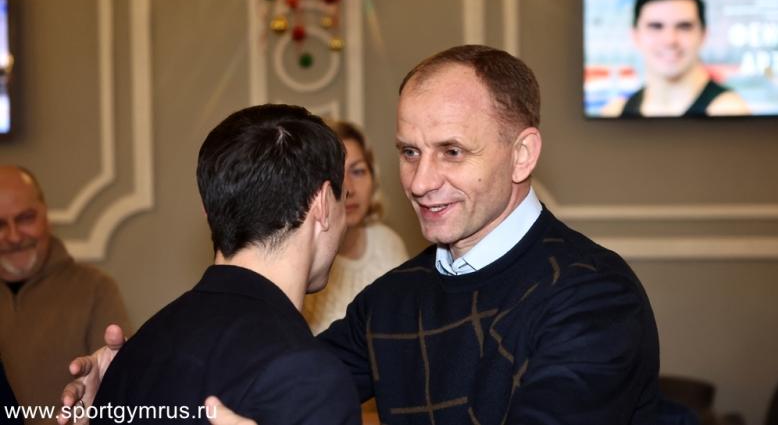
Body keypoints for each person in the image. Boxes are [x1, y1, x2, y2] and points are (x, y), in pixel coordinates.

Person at [62, 46, 660, 425]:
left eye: (451, 152)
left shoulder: (593, 296)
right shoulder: (394, 297)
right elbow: (266, 377)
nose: (420, 182)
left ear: (522, 153)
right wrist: (131, 378)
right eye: (409, 152)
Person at [86, 104, 360, 424]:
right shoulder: (309, 378)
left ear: (209, 211)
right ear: (323, 204)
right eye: (344, 197)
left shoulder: (133, 356)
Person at [0, 165, 130, 425]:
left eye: (25, 218)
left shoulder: (95, 288)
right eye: (0, 224)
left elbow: (120, 395)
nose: (13, 237)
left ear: (46, 216)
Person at [303, 120, 408, 336]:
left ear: (373, 177)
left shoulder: (389, 242)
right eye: (335, 174)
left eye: (358, 171)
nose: (348, 188)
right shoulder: (302, 261)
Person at [603, 0, 749, 117]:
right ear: (635, 36)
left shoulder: (728, 111)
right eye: (656, 26)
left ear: (703, 35)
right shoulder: (616, 112)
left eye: (684, 27)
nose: (670, 40)